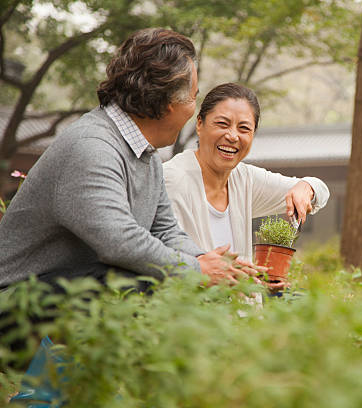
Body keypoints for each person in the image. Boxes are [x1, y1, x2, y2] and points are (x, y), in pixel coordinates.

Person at [0, 29, 261, 290]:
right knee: (136, 278)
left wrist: (205, 260)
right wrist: (196, 270)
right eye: (194, 97)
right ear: (169, 102)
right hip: (17, 303)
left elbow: (164, 230)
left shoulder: (146, 154)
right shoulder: (92, 148)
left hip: (66, 293)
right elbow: (120, 243)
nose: (193, 109)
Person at [163, 83, 329, 262]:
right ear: (200, 124)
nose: (233, 136)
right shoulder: (172, 179)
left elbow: (320, 190)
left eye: (244, 128)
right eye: (222, 124)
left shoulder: (245, 179)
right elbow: (166, 260)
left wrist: (305, 187)